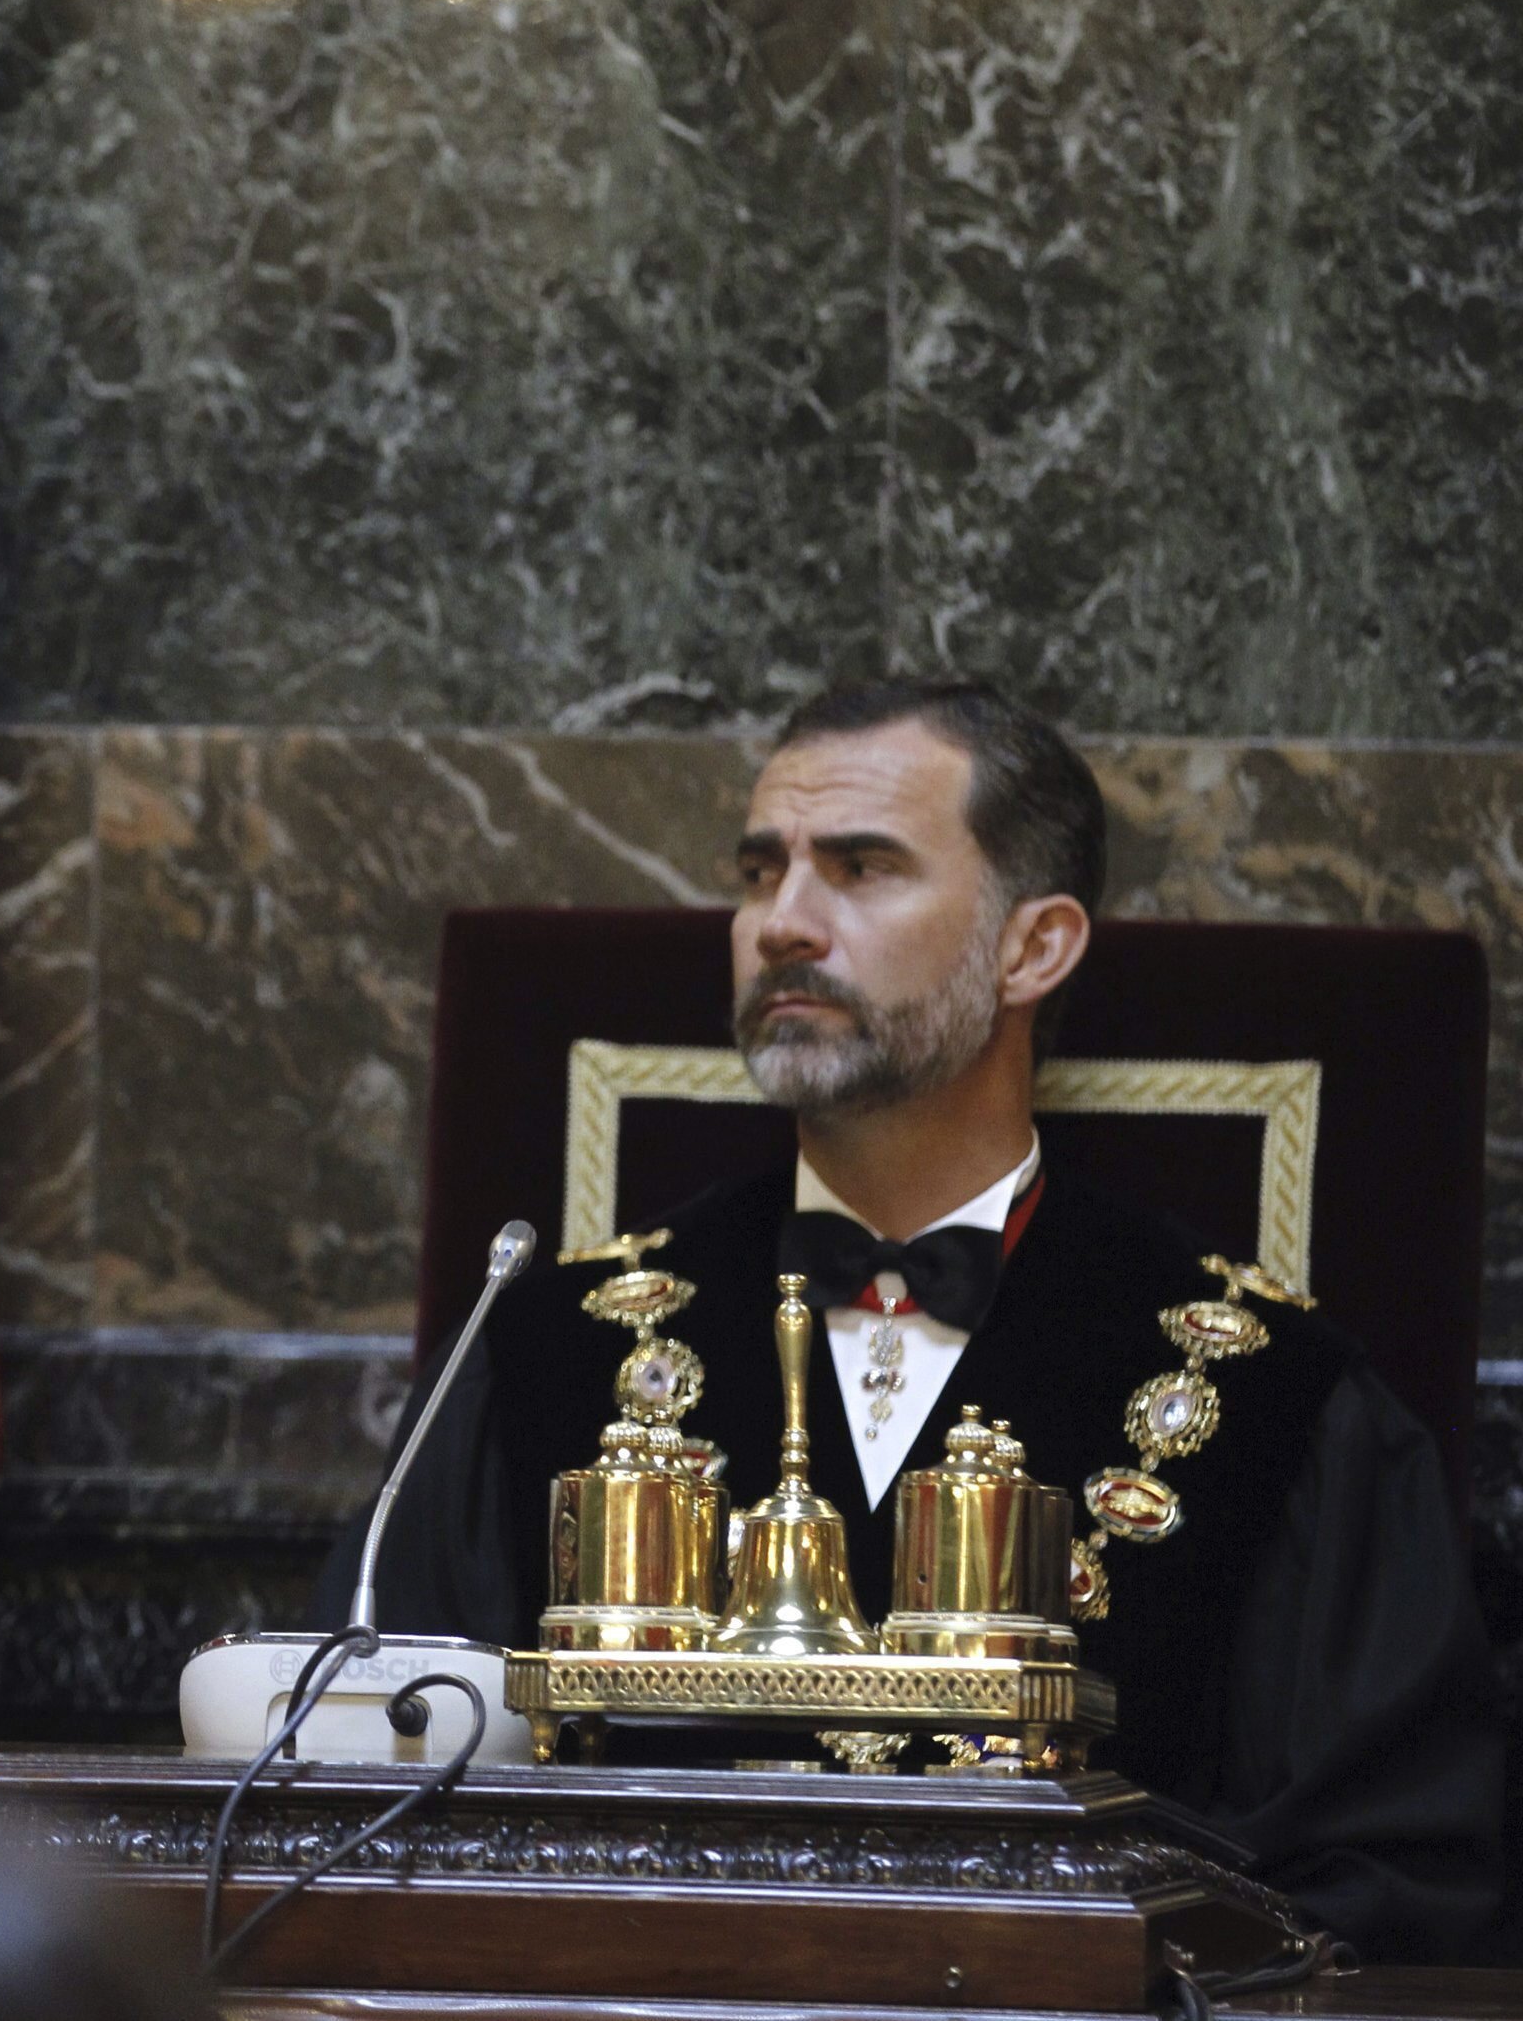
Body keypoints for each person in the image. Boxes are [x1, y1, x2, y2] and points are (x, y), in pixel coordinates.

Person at [325, 677, 1503, 1959]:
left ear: (1033, 946)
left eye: (862, 867)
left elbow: (1397, 1888)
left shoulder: (1279, 1396)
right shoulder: (543, 1348)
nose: (783, 922)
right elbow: (347, 1797)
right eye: (761, 869)